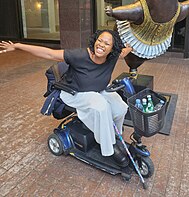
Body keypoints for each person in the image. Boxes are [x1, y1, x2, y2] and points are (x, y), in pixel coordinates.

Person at [0, 30, 133, 167]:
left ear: (112, 48)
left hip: (97, 90)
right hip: (74, 93)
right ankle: (109, 147)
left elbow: (124, 52)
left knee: (120, 106)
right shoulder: (79, 55)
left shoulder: (113, 56)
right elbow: (49, 53)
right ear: (94, 40)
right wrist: (18, 46)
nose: (101, 45)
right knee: (101, 106)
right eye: (99, 40)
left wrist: (132, 46)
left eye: (107, 43)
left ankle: (116, 135)